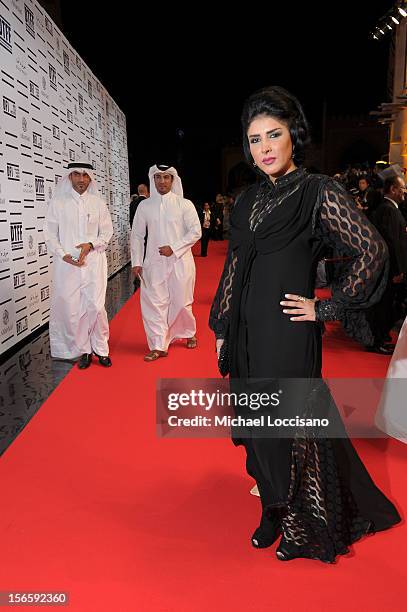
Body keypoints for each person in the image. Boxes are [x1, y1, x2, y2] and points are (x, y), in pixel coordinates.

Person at [209, 86, 400, 563]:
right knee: (255, 423)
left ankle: (303, 517)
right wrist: (221, 326)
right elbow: (234, 265)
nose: (265, 148)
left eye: (274, 135)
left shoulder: (319, 191)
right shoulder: (248, 197)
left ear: (294, 136)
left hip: (288, 330)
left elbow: (371, 250)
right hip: (245, 331)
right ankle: (273, 505)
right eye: (254, 140)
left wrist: (328, 308)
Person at [44, 161, 113, 369]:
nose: (81, 179)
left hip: (94, 262)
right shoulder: (58, 203)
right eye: (76, 175)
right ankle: (84, 350)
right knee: (75, 308)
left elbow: (107, 232)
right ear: (69, 177)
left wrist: (91, 244)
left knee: (96, 307)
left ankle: (101, 349)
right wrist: (63, 254)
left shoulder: (98, 203)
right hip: (68, 265)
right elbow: (50, 234)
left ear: (90, 178)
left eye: (84, 175)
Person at [131, 164, 201, 361]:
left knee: (182, 301)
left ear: (173, 180)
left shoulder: (184, 204)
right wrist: (136, 261)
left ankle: (187, 332)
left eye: (166, 177)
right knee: (154, 303)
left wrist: (175, 247)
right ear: (153, 180)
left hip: (180, 260)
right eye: (158, 177)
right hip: (153, 263)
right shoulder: (144, 206)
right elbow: (137, 235)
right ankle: (158, 344)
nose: (162, 181)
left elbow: (196, 231)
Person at [130, 184, 150, 291]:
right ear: (147, 191)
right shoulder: (148, 203)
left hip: (136, 234)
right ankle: (144, 278)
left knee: (138, 256)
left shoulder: (133, 203)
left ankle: (138, 278)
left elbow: (130, 220)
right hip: (149, 236)